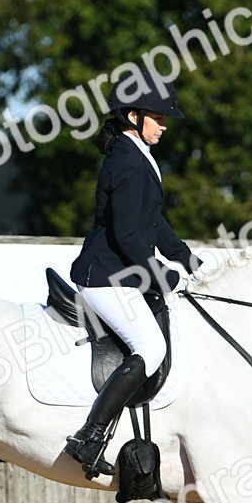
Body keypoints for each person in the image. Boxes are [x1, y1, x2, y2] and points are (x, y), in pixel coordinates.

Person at [63, 68, 202, 479]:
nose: (163, 126)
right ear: (132, 116)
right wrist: (161, 275)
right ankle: (89, 437)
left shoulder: (137, 154)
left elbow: (151, 219)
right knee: (151, 347)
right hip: (104, 276)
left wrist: (183, 256)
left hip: (120, 271)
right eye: (158, 118)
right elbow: (127, 235)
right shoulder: (127, 161)